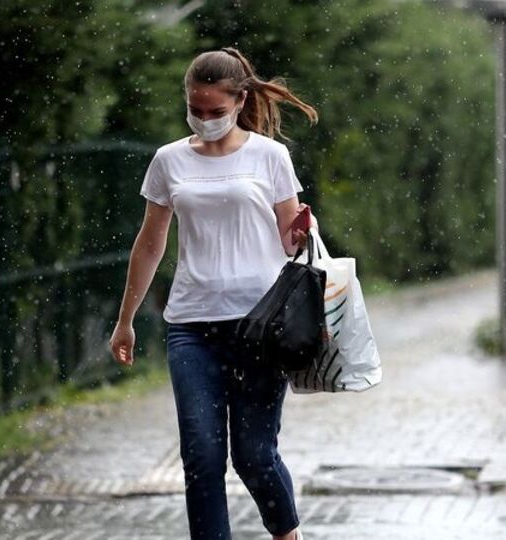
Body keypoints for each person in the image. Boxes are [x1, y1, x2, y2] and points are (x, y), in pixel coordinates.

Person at [109, 47, 318, 540]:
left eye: (216, 111)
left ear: (239, 100)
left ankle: (289, 536)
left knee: (254, 457)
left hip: (260, 326)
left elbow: (292, 237)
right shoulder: (168, 161)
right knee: (201, 458)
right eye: (196, 110)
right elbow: (151, 242)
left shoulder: (270, 156)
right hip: (191, 326)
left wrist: (303, 232)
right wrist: (126, 319)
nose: (204, 119)